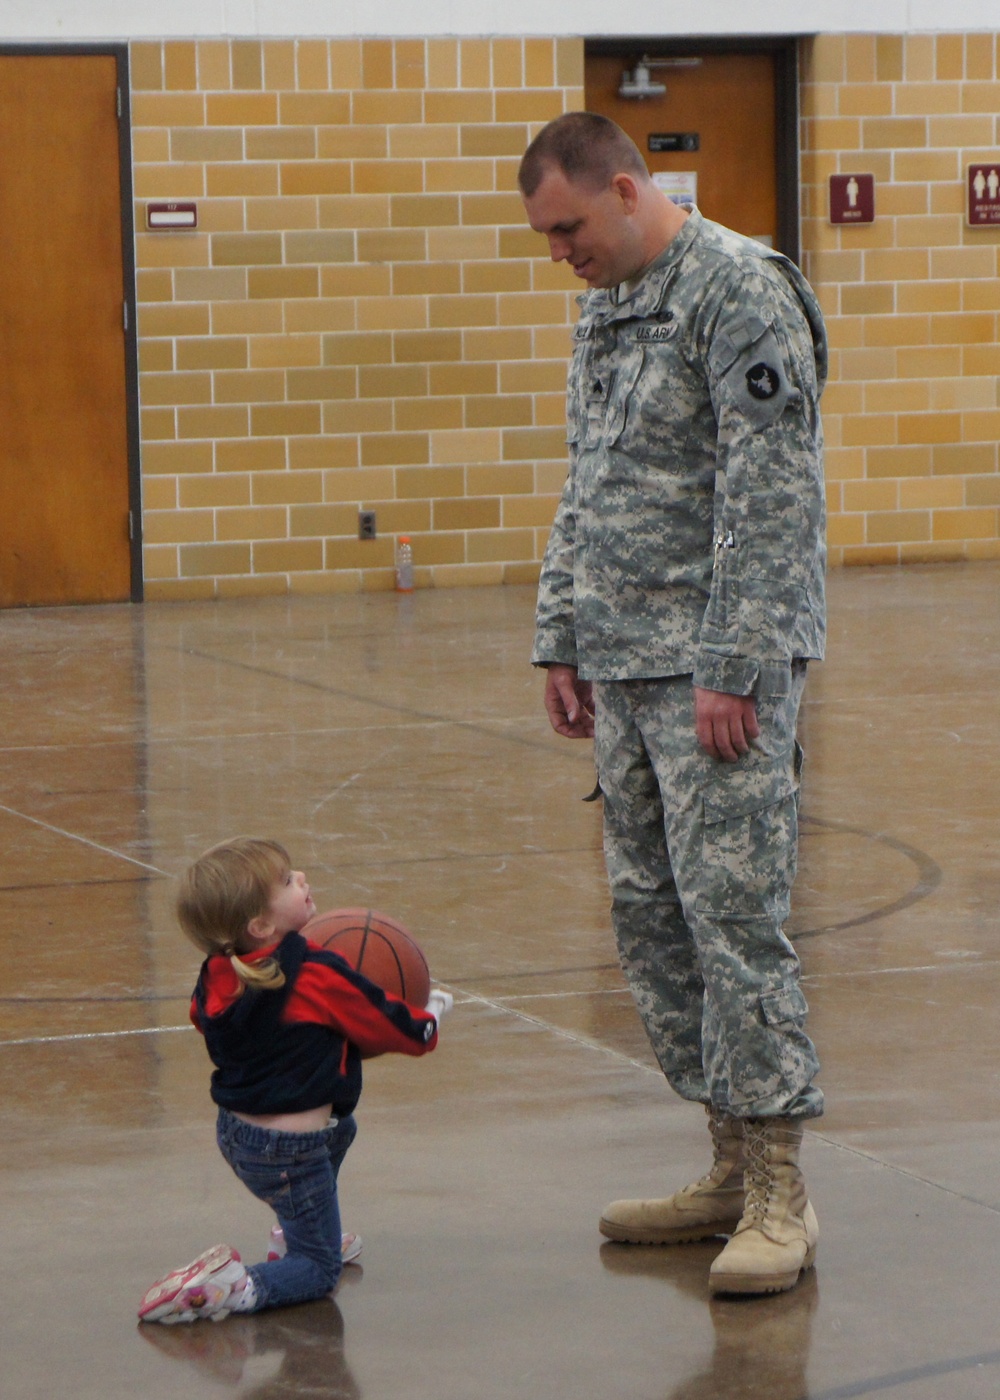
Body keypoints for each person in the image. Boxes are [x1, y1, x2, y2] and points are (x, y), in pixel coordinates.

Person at [518, 112, 827, 1297]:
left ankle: (779, 1192)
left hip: (715, 678)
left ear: (628, 188)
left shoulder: (735, 290)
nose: (560, 253)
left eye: (568, 227)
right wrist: (561, 634)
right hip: (625, 661)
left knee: (735, 920)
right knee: (655, 924)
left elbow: (771, 490)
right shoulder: (605, 301)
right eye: (547, 236)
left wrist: (732, 664)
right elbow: (585, 473)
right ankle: (722, 1163)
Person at [138, 837, 452, 1324]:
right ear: (260, 924)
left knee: (340, 1128)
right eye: (286, 881)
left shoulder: (218, 971)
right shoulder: (314, 976)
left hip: (238, 1136)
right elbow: (386, 1023)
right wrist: (427, 1021)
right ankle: (230, 1288)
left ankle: (295, 1230)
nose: (301, 878)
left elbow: (201, 1017)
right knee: (318, 1269)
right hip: (290, 1155)